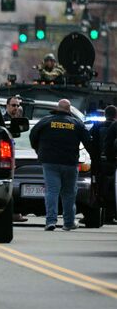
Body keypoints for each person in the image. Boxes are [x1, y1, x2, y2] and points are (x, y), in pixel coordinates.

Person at [29, 99, 93, 231]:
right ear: (69, 110)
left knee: (52, 192)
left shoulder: (46, 121)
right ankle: (68, 223)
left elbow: (32, 135)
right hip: (70, 163)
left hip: (50, 162)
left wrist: (38, 150)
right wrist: (96, 157)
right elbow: (88, 141)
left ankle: (50, 221)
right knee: (69, 193)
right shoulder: (77, 123)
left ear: (57, 108)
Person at [97, 106, 117, 221]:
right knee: (111, 189)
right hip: (111, 161)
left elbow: (90, 141)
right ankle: (110, 214)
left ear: (105, 114)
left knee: (101, 189)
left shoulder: (97, 126)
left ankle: (103, 213)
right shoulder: (114, 126)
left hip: (101, 161)